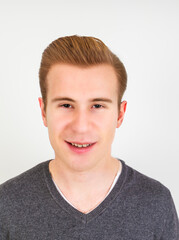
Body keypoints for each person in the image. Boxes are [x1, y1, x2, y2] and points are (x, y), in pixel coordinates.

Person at [0, 35, 178, 239]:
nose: (81, 126)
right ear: (43, 112)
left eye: (97, 106)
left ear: (120, 114)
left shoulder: (157, 203)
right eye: (66, 105)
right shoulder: (6, 204)